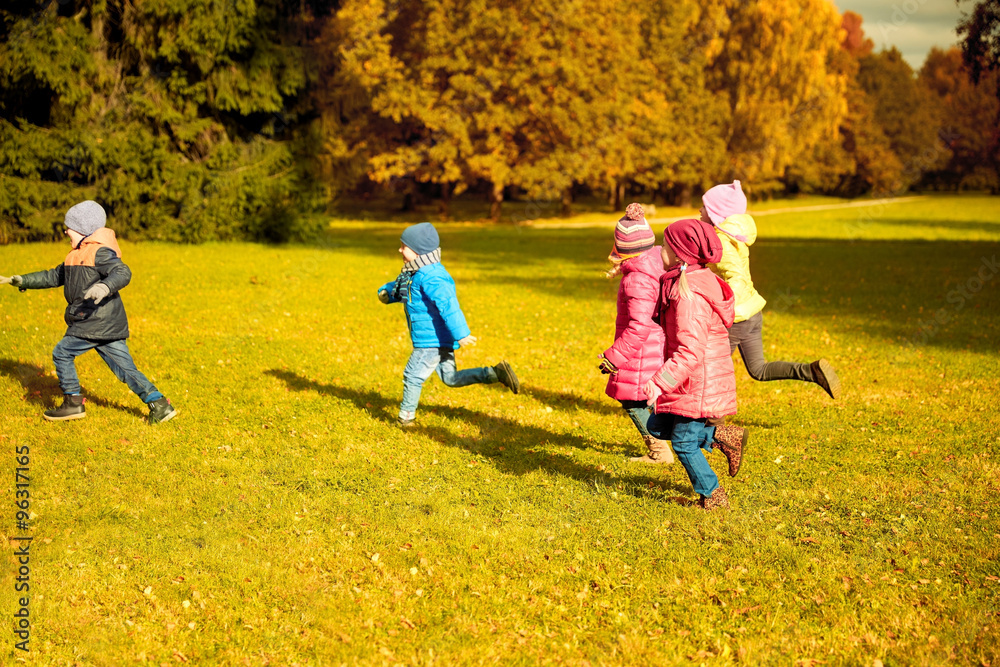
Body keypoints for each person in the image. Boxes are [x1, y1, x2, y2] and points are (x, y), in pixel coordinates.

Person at [0, 201, 178, 423]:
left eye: (69, 227)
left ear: (83, 230)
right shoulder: (76, 254)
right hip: (106, 324)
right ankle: (159, 404)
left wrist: (104, 286)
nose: (66, 231)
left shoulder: (99, 252)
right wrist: (23, 280)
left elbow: (122, 271)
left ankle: (73, 403)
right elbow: (53, 276)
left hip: (92, 319)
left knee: (62, 352)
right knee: (124, 367)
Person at [701, 180, 840, 399]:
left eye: (705, 207)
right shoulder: (733, 238)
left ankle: (712, 425)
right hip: (752, 312)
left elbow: (735, 278)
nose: (700, 211)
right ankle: (811, 371)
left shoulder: (722, 242)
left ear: (715, 213)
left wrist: (722, 308)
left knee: (710, 371)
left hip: (735, 318)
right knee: (759, 369)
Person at [643, 218, 746, 510]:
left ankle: (712, 496)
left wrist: (659, 381)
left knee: (684, 444)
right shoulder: (690, 280)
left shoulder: (688, 295)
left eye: (665, 244)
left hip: (698, 381)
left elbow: (690, 352)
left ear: (678, 253)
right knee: (658, 426)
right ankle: (721, 436)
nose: (660, 248)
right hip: (693, 379)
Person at [378, 222, 519, 427]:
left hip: (431, 339)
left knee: (412, 375)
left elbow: (448, 305)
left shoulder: (432, 276)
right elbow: (402, 288)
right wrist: (386, 293)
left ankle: (406, 419)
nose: (400, 249)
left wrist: (461, 333)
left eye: (403, 246)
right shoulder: (415, 271)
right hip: (437, 337)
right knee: (450, 378)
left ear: (418, 250)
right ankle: (495, 373)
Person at [598, 203, 672, 464]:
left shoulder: (637, 279)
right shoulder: (652, 260)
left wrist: (614, 357)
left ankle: (660, 451)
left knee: (633, 400)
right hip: (651, 344)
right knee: (647, 398)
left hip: (639, 349)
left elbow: (638, 326)